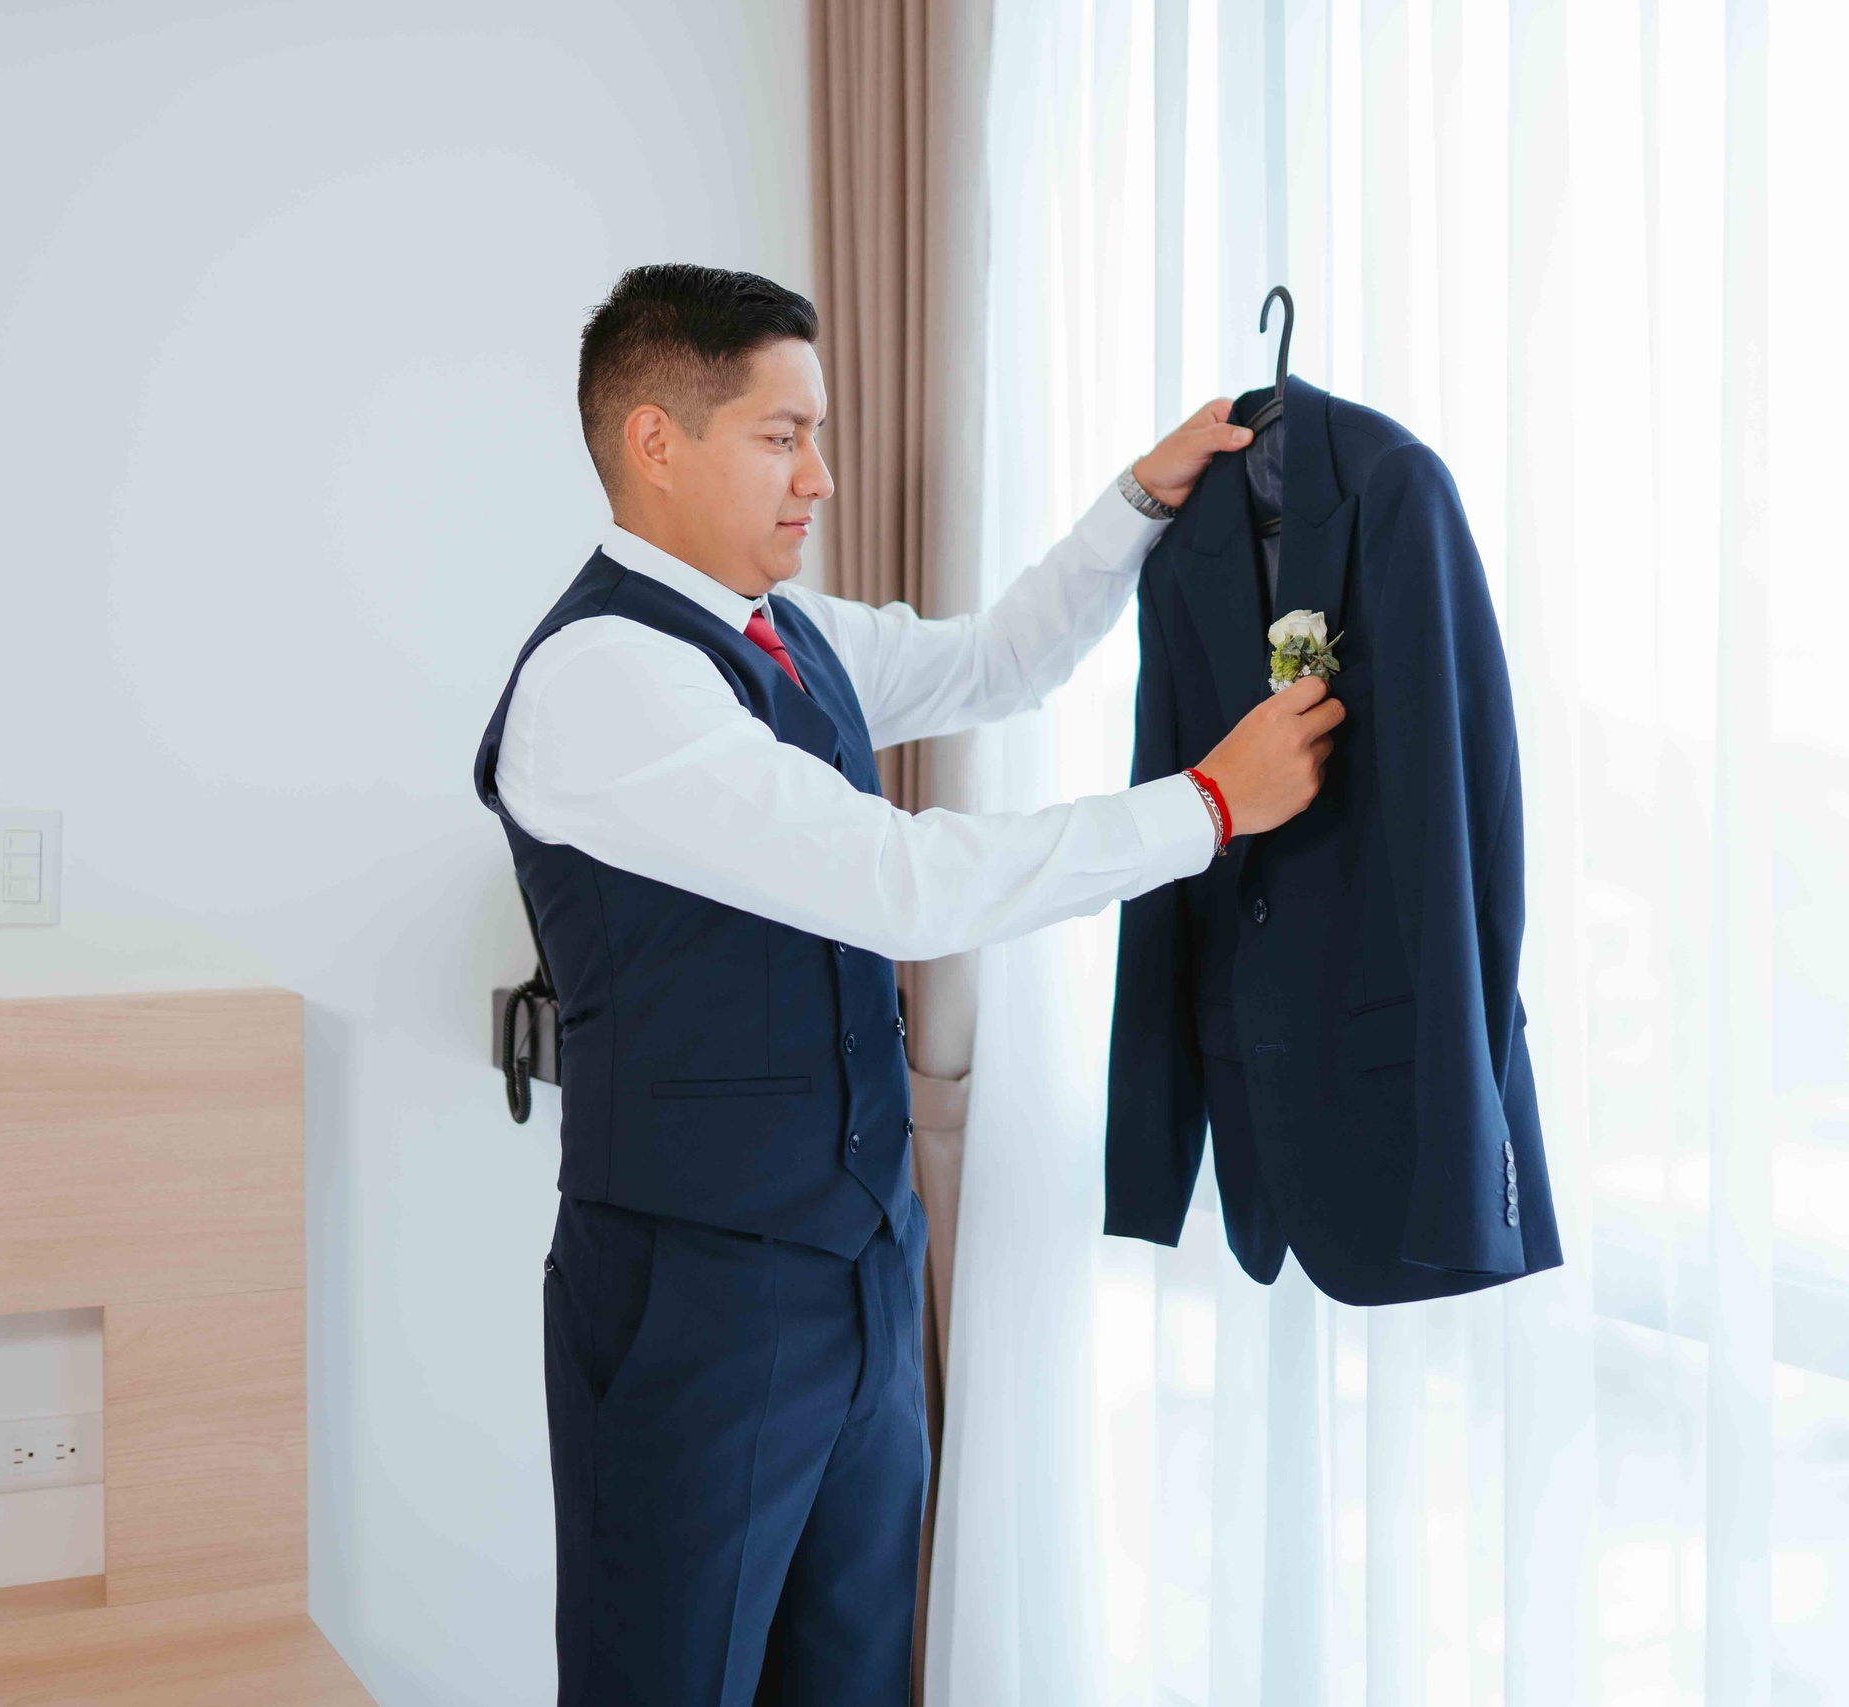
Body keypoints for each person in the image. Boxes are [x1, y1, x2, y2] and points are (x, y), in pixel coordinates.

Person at [473, 263, 1341, 1705]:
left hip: (859, 1275)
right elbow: (903, 882)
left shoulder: (784, 633)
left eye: (819, 431)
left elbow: (998, 662)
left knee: (858, 1679)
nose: (818, 475)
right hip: (694, 1292)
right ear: (655, 442)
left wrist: (1140, 500)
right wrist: (1206, 808)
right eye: (780, 435)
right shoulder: (603, 680)